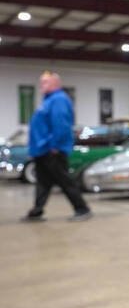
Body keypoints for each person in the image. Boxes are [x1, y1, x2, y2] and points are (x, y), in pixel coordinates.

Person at [23, 72, 92, 222]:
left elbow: (61, 124)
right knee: (42, 183)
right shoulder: (47, 101)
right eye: (41, 82)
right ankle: (37, 211)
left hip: (52, 150)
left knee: (65, 180)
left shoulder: (59, 99)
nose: (42, 85)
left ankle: (82, 208)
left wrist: (55, 146)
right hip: (42, 150)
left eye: (46, 82)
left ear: (56, 83)